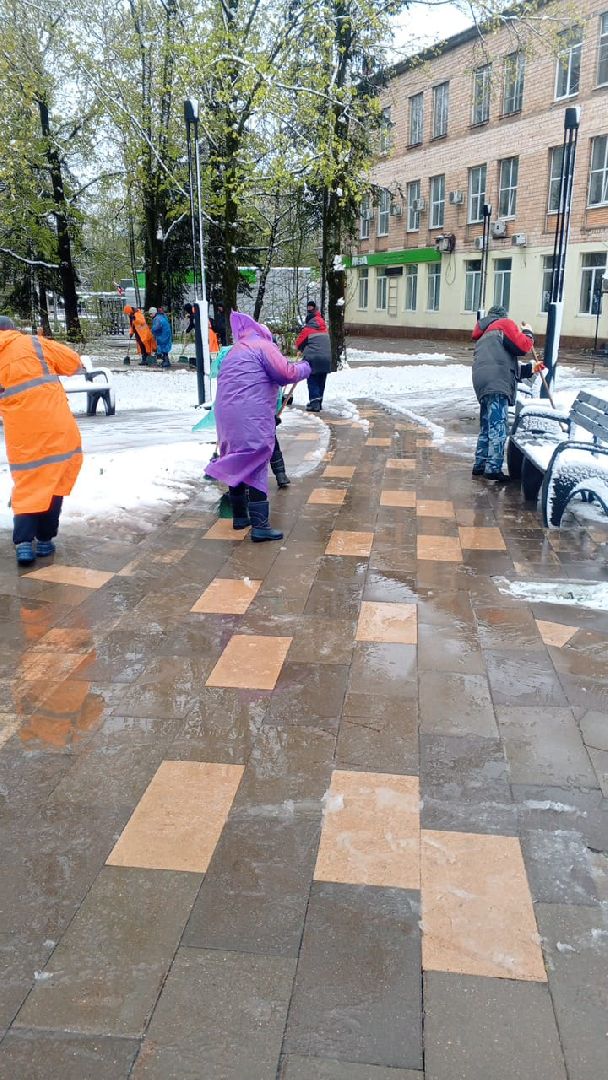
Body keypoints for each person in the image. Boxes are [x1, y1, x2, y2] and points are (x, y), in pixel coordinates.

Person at [205, 312, 310, 541]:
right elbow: (286, 373)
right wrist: (305, 367)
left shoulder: (236, 349)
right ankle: (260, 526)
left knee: (236, 458)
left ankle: (240, 517)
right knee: (257, 459)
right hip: (250, 414)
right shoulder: (263, 346)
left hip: (225, 415)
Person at [0, 317, 85, 565]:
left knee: (28, 483)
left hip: (21, 434)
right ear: (12, 330)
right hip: (56, 426)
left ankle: (24, 544)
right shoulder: (34, 343)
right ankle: (45, 540)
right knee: (55, 480)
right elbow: (73, 363)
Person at [471, 304, 543, 482]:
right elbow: (523, 346)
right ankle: (493, 469)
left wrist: (530, 369)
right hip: (496, 384)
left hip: (483, 382)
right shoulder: (504, 324)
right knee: (498, 426)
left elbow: (502, 363)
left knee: (487, 425)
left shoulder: (485, 335)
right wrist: (528, 333)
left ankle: (480, 464)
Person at [295, 300, 331, 412]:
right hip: (326, 358)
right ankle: (319, 401)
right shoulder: (325, 328)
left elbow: (298, 344)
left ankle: (314, 403)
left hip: (313, 359)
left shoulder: (307, 329)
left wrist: (301, 349)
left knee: (312, 379)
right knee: (321, 379)